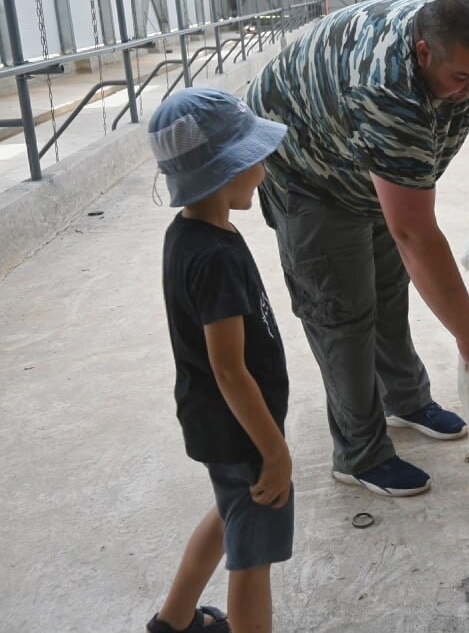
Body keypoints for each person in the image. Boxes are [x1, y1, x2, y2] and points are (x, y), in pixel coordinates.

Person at [248, 0, 469, 498]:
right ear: (424, 54)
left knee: (389, 283)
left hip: (364, 159)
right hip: (307, 169)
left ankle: (404, 398)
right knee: (343, 308)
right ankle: (359, 453)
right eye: (462, 79)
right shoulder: (386, 89)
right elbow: (415, 234)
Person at [145, 87, 294, 633]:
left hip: (215, 422)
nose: (261, 167)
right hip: (242, 431)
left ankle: (174, 622)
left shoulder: (189, 235)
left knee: (232, 512)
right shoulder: (215, 259)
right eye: (252, 159)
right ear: (224, 172)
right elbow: (230, 369)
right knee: (253, 556)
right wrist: (274, 450)